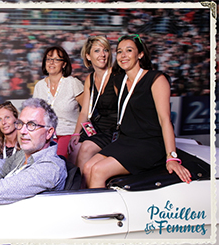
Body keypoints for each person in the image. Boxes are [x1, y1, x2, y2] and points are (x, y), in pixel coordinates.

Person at [83, 34, 191, 188]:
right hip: (126, 140)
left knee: (99, 170)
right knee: (87, 167)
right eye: (119, 52)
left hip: (149, 144)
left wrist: (172, 157)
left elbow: (165, 120)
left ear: (140, 54)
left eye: (129, 50)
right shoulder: (118, 82)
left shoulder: (156, 79)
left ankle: (100, 212)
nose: (123, 55)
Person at [67, 36, 119, 171]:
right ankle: (73, 187)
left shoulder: (116, 76)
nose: (102, 54)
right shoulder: (90, 78)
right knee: (74, 148)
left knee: (86, 148)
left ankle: (82, 190)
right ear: (88, 56)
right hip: (97, 126)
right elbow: (84, 111)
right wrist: (76, 133)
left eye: (105, 50)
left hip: (114, 128)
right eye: (97, 51)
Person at [33, 45, 83, 160]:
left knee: (56, 161)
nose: (52, 62)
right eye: (49, 59)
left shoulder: (73, 83)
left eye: (56, 59)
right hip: (46, 136)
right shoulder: (39, 86)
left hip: (68, 133)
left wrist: (77, 134)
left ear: (64, 64)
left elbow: (87, 110)